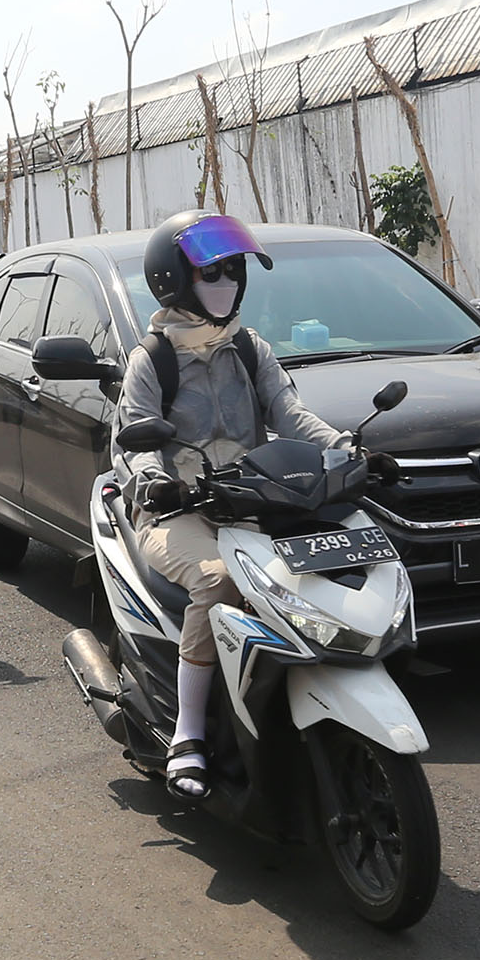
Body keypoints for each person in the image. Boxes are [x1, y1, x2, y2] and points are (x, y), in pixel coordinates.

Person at [112, 211, 343, 802]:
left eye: (233, 272)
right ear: (175, 281)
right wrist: (153, 481)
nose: (227, 284)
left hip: (250, 499)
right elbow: (132, 438)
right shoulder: (153, 359)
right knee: (218, 582)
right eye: (212, 273)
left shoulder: (248, 347)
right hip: (175, 510)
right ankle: (188, 734)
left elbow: (289, 415)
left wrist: (344, 449)